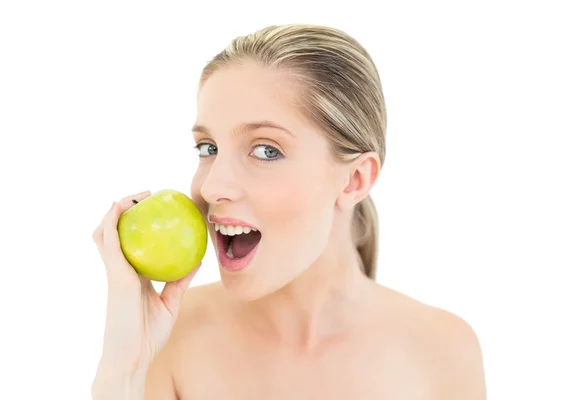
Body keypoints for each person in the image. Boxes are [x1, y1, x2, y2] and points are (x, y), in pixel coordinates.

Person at [91, 23, 487, 399]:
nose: (211, 187)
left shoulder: (443, 352)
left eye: (266, 150)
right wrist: (121, 374)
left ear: (354, 181)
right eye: (208, 148)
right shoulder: (171, 340)